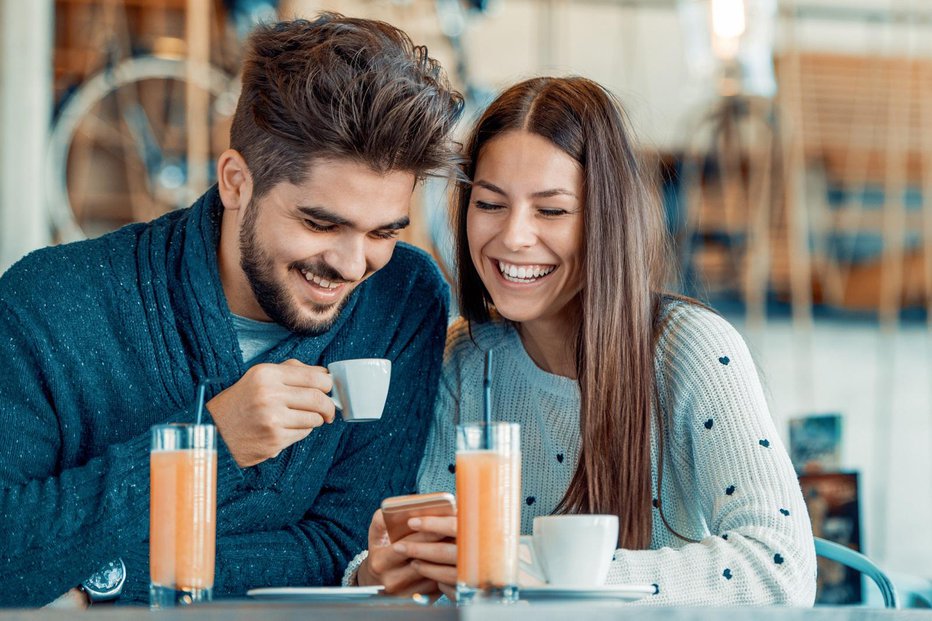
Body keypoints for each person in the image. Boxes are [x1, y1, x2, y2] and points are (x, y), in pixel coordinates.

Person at [0, 14, 462, 607]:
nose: (352, 265)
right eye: (321, 223)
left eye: (384, 232)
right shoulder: (50, 302)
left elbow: (344, 549)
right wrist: (211, 443)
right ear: (236, 181)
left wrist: (103, 580)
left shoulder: (401, 299)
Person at [348, 76, 817, 606]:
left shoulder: (690, 349)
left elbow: (780, 568)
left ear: (605, 219)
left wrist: (532, 568)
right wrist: (376, 575)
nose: (514, 236)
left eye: (551, 210)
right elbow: (419, 562)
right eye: (490, 204)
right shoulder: (464, 359)